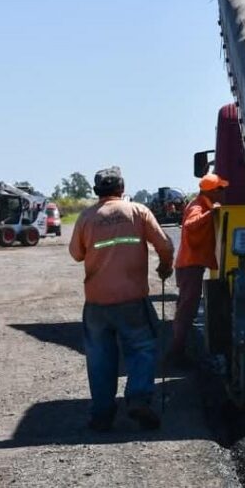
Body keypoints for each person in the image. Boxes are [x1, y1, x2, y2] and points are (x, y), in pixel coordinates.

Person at [69, 166, 174, 431]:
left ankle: (102, 414)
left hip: (96, 303)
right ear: (122, 188)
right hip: (132, 299)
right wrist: (165, 266)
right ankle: (138, 397)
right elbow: (164, 245)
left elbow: (76, 254)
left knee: (100, 358)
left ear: (96, 191)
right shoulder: (138, 212)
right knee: (142, 347)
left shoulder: (86, 217)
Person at [166, 173, 228, 368]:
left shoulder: (201, 204)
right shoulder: (198, 206)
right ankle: (176, 354)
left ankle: (178, 351)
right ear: (212, 192)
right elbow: (191, 224)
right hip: (189, 266)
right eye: (221, 189)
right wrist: (212, 213)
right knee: (186, 311)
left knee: (186, 310)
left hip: (191, 266)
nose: (224, 193)